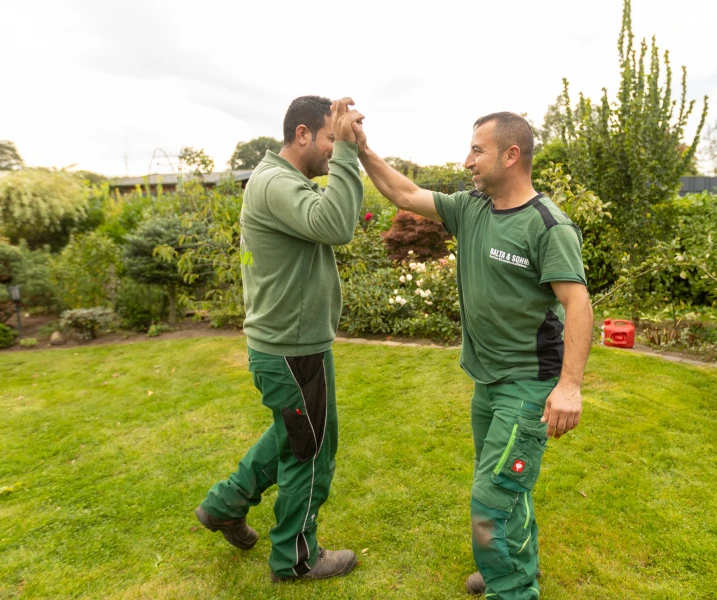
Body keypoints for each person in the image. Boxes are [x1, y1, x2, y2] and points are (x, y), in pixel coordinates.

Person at [354, 112, 594, 599]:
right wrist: (361, 149)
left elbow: (578, 304)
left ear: (511, 155)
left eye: (477, 151)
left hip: (528, 383)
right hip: (487, 382)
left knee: (492, 499)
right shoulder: (472, 208)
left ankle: (513, 589)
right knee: (508, 488)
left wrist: (569, 387)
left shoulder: (548, 226)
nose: (467, 161)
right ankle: (510, 563)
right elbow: (403, 194)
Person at [195, 95, 365, 583]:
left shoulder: (277, 181)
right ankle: (296, 558)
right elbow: (336, 225)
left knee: (293, 436)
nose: (336, 148)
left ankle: (224, 505)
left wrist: (351, 148)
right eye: (332, 138)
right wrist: (350, 156)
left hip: (290, 345)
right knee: (310, 451)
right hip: (293, 350)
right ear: (304, 134)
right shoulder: (276, 183)